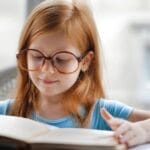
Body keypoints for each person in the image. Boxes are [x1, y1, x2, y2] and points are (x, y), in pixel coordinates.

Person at [0, 0, 149, 147]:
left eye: (61, 60)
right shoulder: (6, 112)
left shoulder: (102, 112)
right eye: (37, 57)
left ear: (85, 62)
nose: (47, 70)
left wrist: (143, 130)